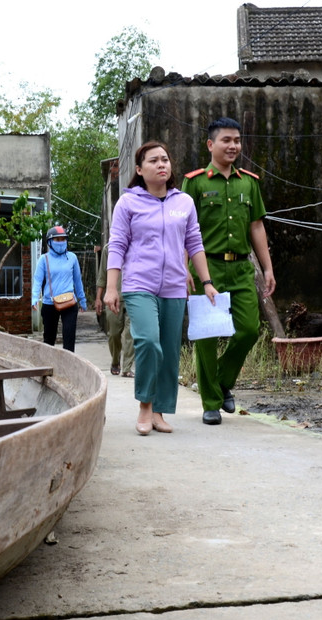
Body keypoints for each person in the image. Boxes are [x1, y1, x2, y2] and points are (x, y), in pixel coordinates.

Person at [105, 141, 217, 436]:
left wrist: (206, 282)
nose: (161, 164)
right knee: (148, 342)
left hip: (174, 287)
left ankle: (160, 411)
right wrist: (111, 288)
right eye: (153, 161)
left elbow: (194, 243)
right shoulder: (128, 203)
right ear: (140, 170)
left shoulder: (184, 203)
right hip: (139, 284)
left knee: (168, 351)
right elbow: (117, 245)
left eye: (165, 159)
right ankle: (144, 404)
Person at [181, 117, 276, 425]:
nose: (233, 145)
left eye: (237, 140)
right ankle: (210, 402)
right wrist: (184, 268)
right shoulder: (195, 182)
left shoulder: (249, 182)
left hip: (240, 268)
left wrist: (267, 267)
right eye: (226, 140)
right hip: (206, 265)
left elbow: (257, 226)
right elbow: (185, 229)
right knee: (207, 336)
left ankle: (221, 383)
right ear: (211, 145)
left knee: (248, 329)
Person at [32, 225, 87, 352]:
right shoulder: (44, 259)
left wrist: (82, 300)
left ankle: (68, 369)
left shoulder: (72, 257)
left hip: (69, 302)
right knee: (49, 340)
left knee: (69, 338)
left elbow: (77, 280)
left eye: (63, 239)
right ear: (50, 242)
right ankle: (48, 366)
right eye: (57, 240)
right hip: (49, 303)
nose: (61, 242)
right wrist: (35, 298)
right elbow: (37, 280)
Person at [94, 244, 135, 377]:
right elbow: (102, 275)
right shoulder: (109, 248)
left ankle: (127, 367)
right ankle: (115, 360)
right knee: (114, 334)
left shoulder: (138, 244)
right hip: (114, 297)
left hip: (134, 295)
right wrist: (98, 298)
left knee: (131, 333)